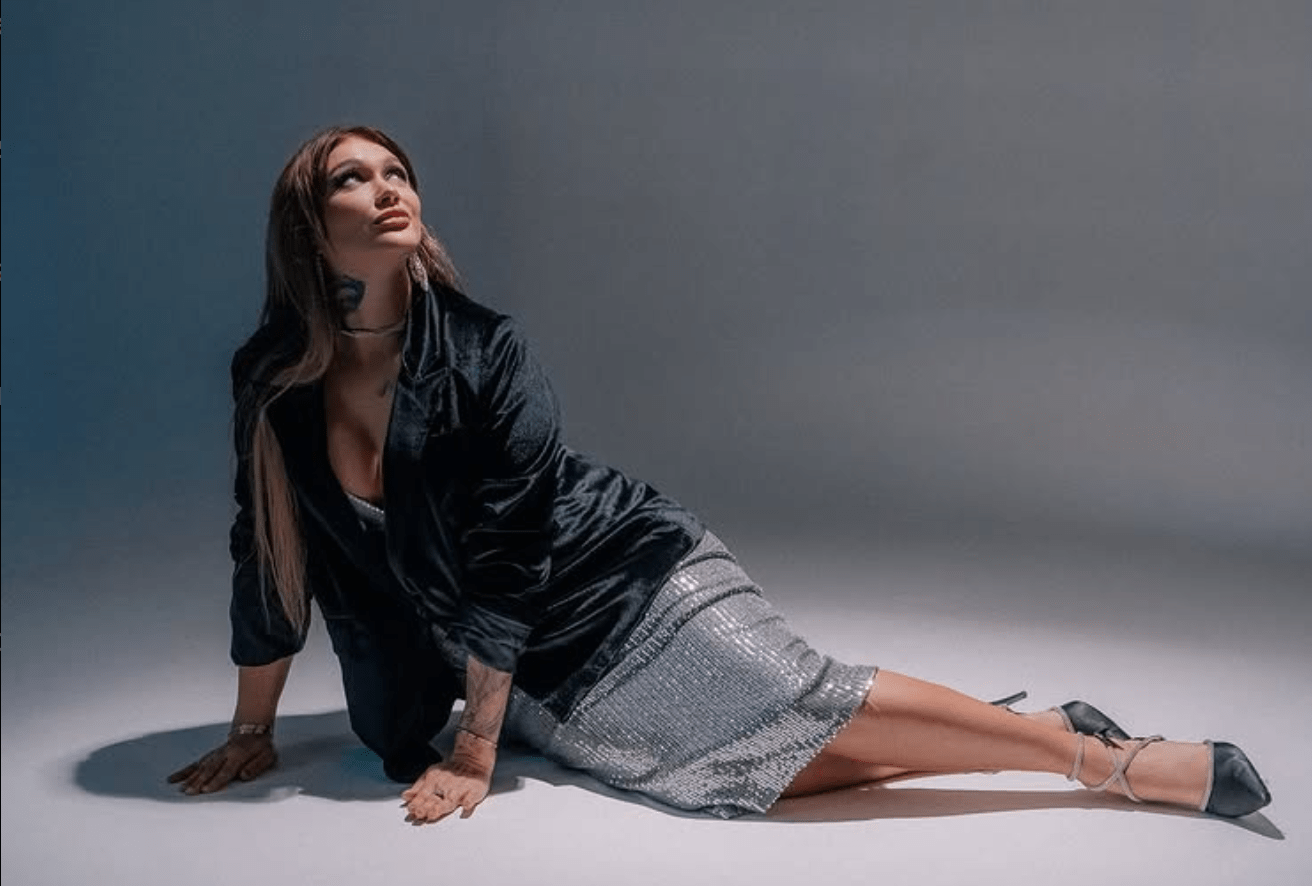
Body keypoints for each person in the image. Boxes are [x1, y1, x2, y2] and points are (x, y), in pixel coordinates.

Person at [168, 125, 1271, 824]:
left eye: (398, 172)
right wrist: (253, 727)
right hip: (529, 656)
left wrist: (476, 745)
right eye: (353, 178)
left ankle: (1099, 760)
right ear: (308, 226)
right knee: (735, 779)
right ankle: (1016, 733)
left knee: (800, 697)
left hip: (622, 574)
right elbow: (268, 551)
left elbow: (510, 550)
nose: (388, 188)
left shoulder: (486, 349)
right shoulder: (275, 379)